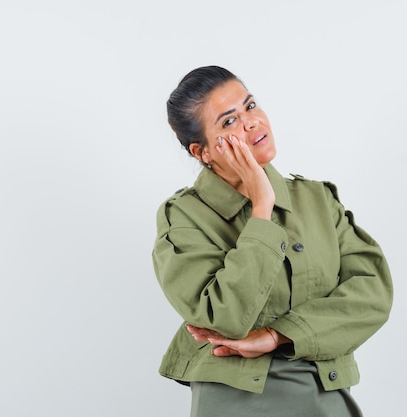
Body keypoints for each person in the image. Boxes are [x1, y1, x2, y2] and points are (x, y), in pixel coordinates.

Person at [152, 65, 393, 417]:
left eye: (250, 106)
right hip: (236, 398)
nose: (251, 122)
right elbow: (222, 317)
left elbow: (372, 296)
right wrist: (262, 207)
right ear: (202, 151)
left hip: (325, 394)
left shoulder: (317, 200)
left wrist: (277, 335)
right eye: (229, 122)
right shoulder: (183, 217)